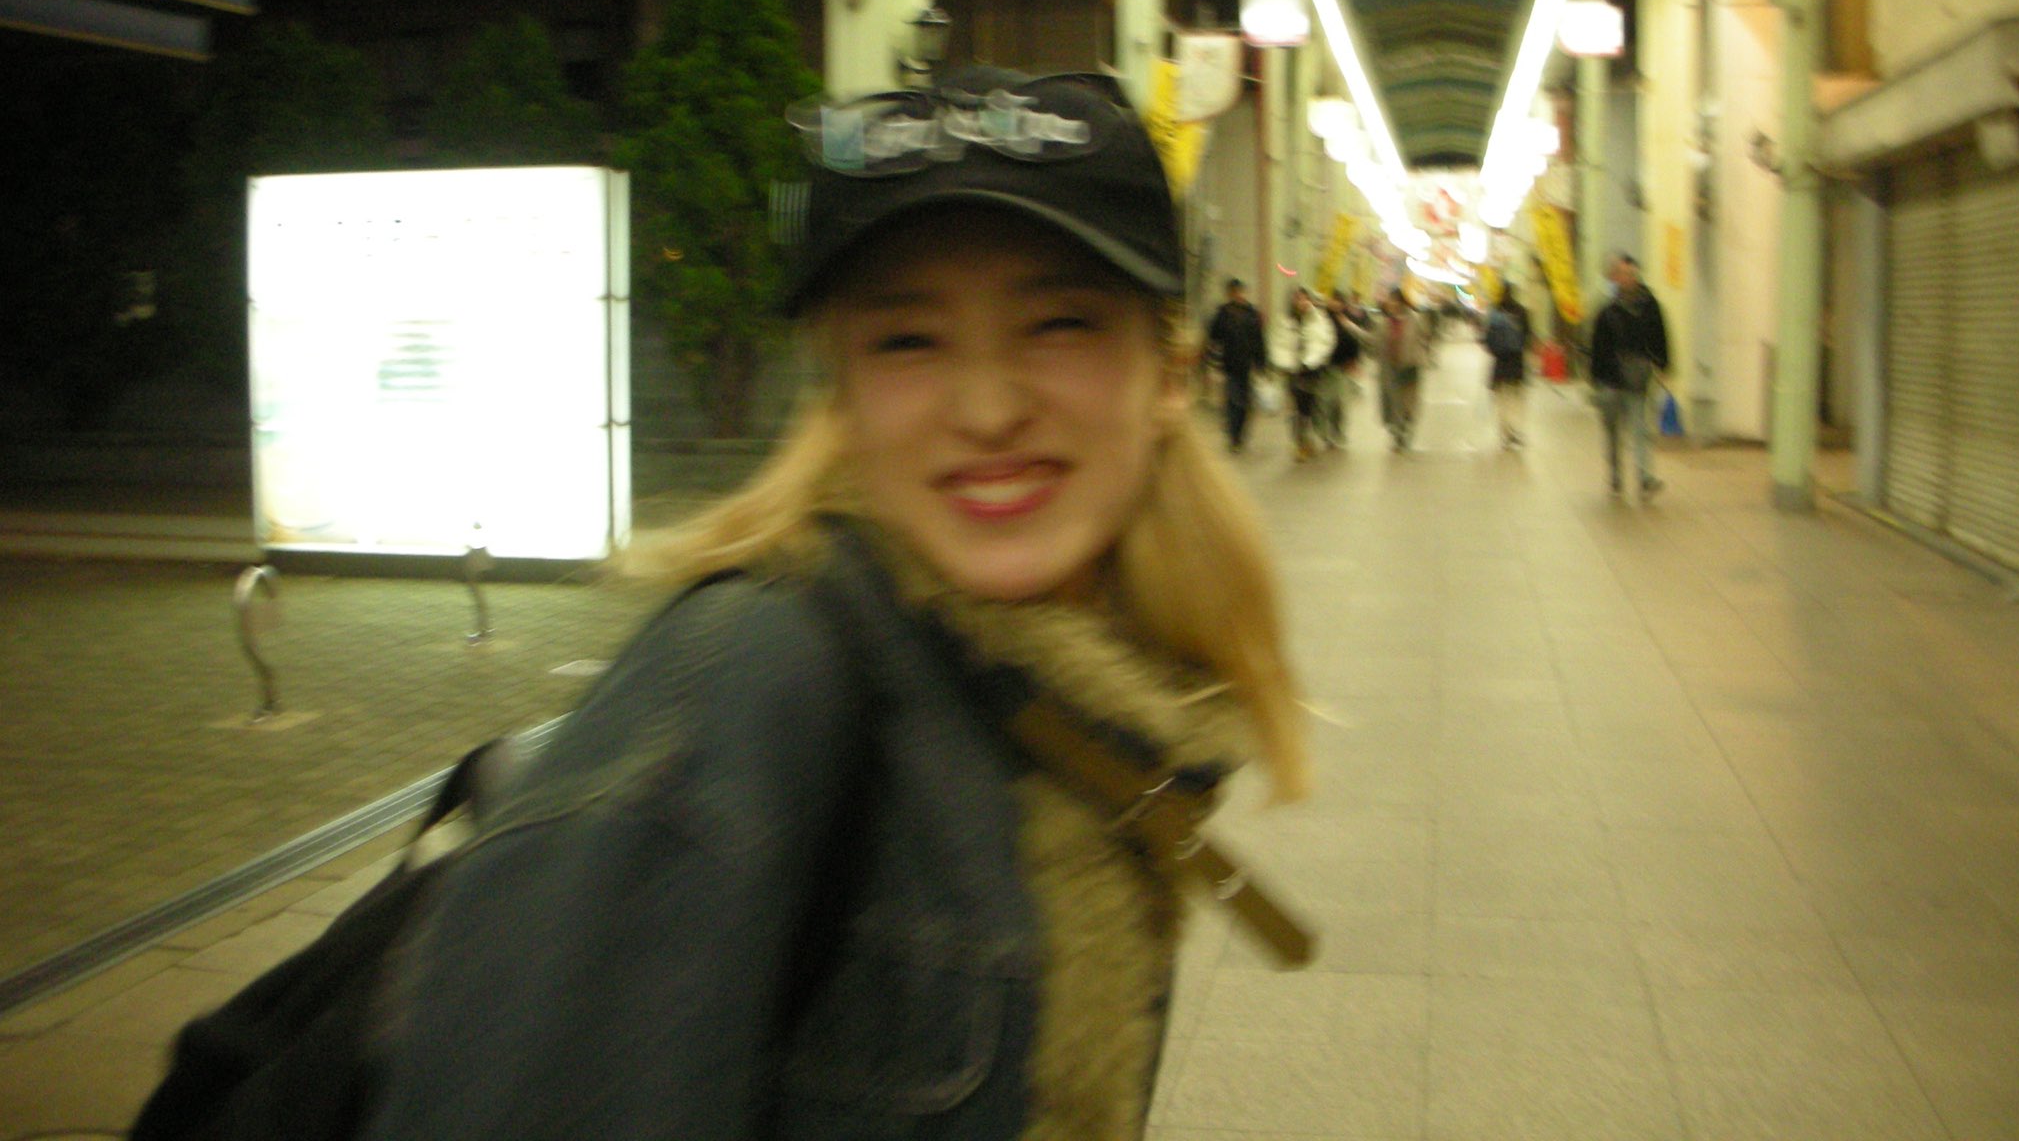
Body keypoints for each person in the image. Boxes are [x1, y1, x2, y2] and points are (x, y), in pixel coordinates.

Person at [350, 69, 1311, 1141]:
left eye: (1058, 323)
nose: (987, 408)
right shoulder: (743, 685)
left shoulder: (1106, 688)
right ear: (840, 398)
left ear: (1169, 373)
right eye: (907, 339)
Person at [1589, 252, 1671, 498]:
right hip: (1611, 379)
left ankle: (1645, 477)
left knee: (1640, 428)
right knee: (1613, 430)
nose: (1627, 278)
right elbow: (1597, 346)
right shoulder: (1607, 309)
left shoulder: (1649, 305)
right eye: (1622, 274)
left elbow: (1660, 335)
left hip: (1637, 377)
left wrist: (1663, 364)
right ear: (1614, 277)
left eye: (1631, 274)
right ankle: (1615, 473)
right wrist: (1596, 378)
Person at [1268, 285, 1336, 462]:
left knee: (1308, 408)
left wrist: (1313, 360)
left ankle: (1305, 440)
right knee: (1297, 409)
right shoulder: (1285, 322)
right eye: (1298, 298)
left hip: (1312, 371)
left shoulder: (1318, 320)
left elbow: (1325, 341)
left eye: (1305, 298)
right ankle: (1300, 443)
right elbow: (1278, 344)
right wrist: (1282, 362)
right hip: (1293, 372)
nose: (1302, 302)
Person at [1204, 276, 1267, 452]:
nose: (1237, 295)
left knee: (1244, 404)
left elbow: (1259, 340)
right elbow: (1213, 338)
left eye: (1239, 291)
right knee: (1232, 401)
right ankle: (1234, 437)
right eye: (1233, 292)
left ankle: (1240, 434)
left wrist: (1261, 363)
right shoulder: (1222, 314)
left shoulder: (1252, 313)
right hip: (1229, 365)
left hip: (1247, 365)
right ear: (1229, 294)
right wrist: (1211, 362)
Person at [1482, 282, 1533, 450]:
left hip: (1500, 364)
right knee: (1515, 400)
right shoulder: (1521, 311)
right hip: (1517, 363)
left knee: (1501, 400)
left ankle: (1505, 433)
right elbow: (1528, 337)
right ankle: (1514, 431)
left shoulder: (1495, 311)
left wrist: (1497, 349)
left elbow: (1487, 341)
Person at [1315, 292, 1366, 450]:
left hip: (1340, 368)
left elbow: (1355, 341)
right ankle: (1325, 433)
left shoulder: (1346, 320)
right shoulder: (1321, 320)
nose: (1335, 303)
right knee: (1324, 403)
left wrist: (1354, 362)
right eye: (1333, 300)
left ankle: (1337, 433)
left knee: (1338, 404)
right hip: (1323, 368)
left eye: (1338, 301)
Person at [1376, 290, 1425, 451]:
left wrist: (1419, 355)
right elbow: (1375, 342)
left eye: (1396, 301)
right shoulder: (1383, 322)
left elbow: (1424, 339)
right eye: (1391, 301)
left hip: (1410, 366)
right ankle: (1398, 435)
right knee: (1393, 402)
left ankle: (1405, 427)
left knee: (1407, 404)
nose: (1393, 305)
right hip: (1390, 367)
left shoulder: (1415, 319)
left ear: (1403, 303)